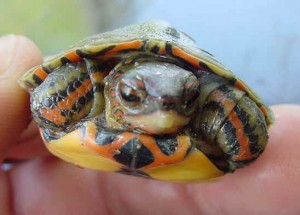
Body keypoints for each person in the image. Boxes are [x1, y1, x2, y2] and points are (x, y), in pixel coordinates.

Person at [0, 35, 299, 215]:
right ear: (113, 86)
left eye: (187, 97)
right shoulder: (91, 81)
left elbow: (247, 138)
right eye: (133, 96)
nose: (165, 105)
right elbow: (46, 105)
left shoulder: (212, 102)